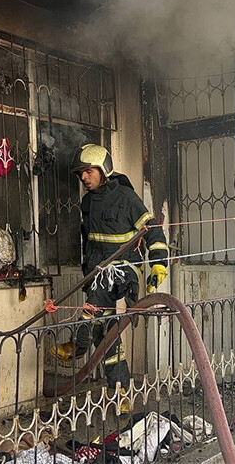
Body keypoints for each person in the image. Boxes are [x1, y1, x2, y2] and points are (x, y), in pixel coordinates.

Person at [51, 144, 169, 401]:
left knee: (93, 307)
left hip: (123, 269)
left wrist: (159, 264)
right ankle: (121, 392)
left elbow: (154, 231)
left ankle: (78, 346)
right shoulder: (87, 203)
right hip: (98, 271)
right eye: (80, 173)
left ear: (103, 169)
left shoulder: (126, 197)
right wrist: (88, 272)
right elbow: (90, 242)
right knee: (105, 333)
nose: (83, 177)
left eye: (88, 171)